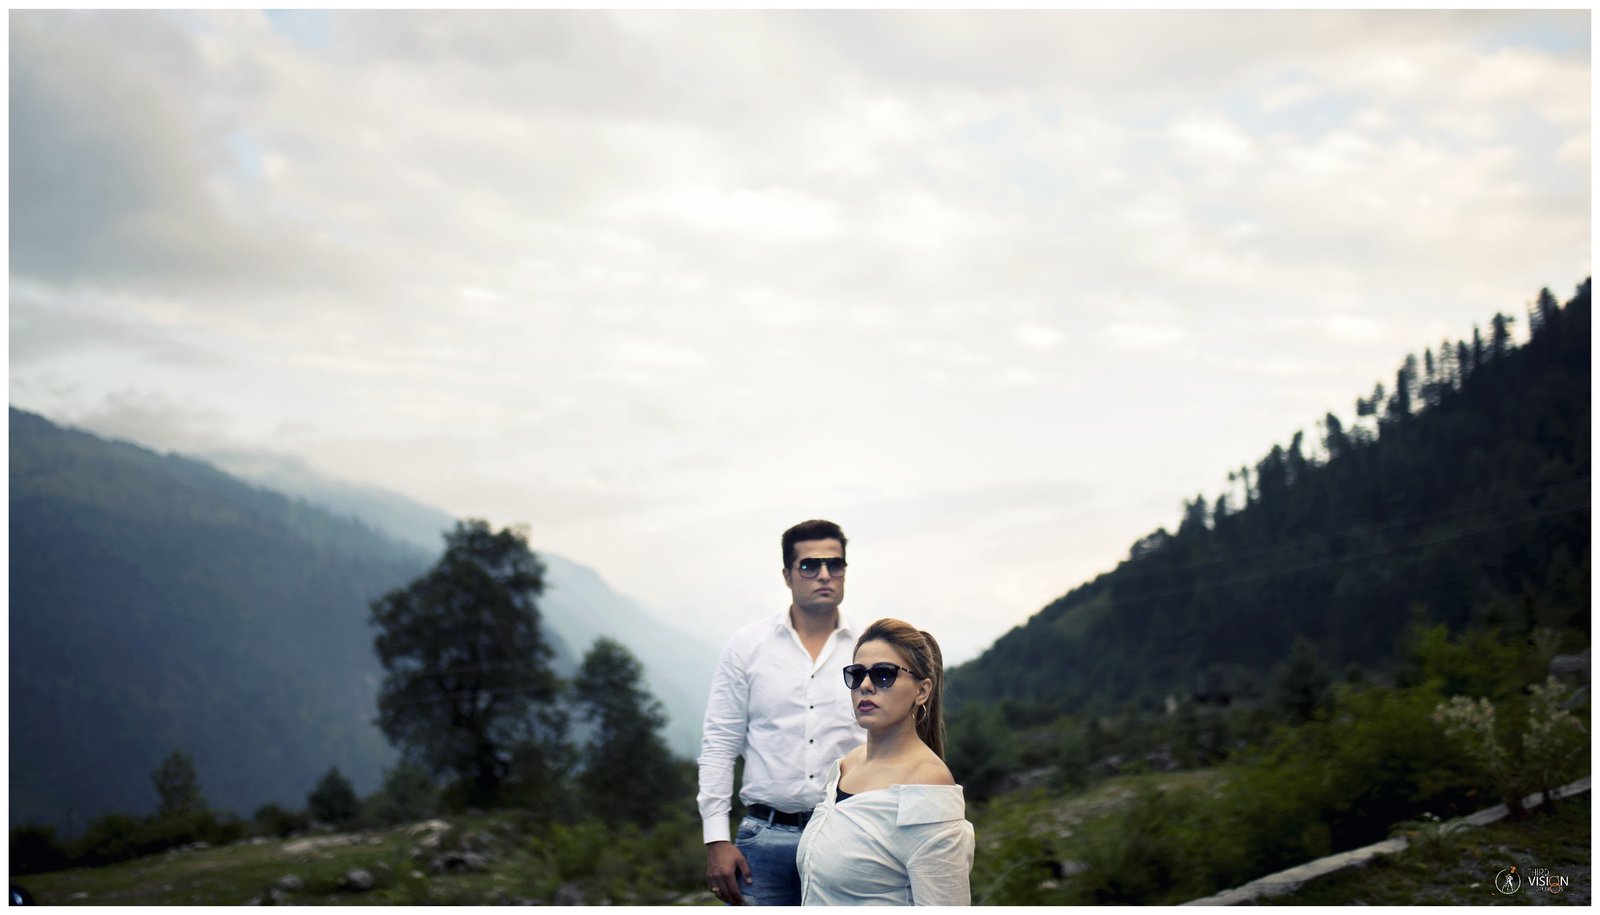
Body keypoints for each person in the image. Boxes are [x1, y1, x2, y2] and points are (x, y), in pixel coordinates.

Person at [699, 520, 867, 905]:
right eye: (810, 566)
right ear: (787, 575)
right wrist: (716, 838)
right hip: (764, 839)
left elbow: (893, 740)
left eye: (835, 565)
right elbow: (719, 745)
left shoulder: (869, 647)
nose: (824, 574)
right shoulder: (747, 646)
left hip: (851, 833)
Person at [796, 619, 975, 905]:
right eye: (857, 674)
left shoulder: (927, 782)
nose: (865, 685)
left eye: (883, 674)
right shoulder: (847, 765)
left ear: (922, 691)